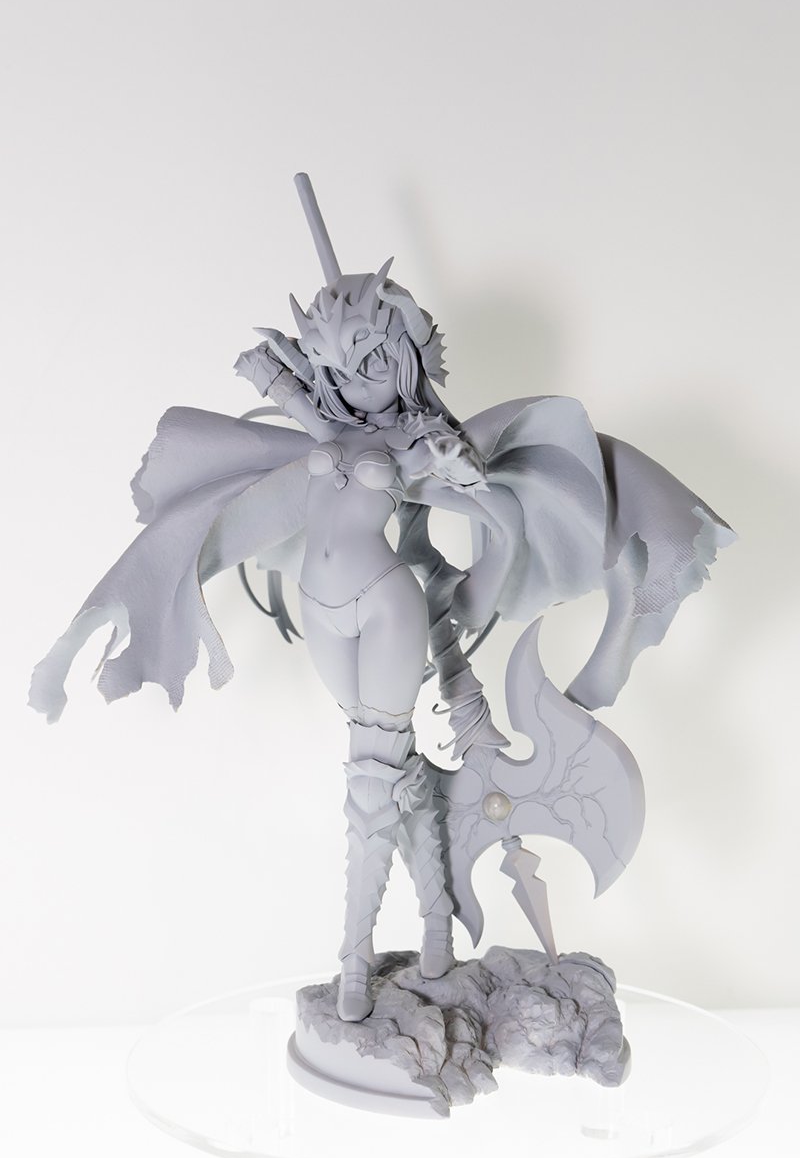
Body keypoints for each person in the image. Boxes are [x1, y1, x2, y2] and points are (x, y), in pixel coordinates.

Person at [29, 175, 736, 1023]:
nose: (354, 378)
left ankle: (355, 961)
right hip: (324, 610)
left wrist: (462, 509)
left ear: (403, 354)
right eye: (338, 364)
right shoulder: (336, 428)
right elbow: (307, 414)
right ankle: (435, 924)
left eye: (370, 358)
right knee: (392, 778)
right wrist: (277, 376)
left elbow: (485, 503)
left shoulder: (413, 441)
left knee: (370, 785)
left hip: (388, 605)